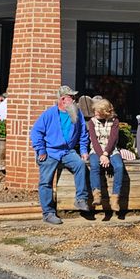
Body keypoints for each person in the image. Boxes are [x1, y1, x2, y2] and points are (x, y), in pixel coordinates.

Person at [30, 85, 90, 225]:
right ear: (63, 99)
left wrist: (83, 151)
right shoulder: (49, 114)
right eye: (72, 97)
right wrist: (41, 150)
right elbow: (36, 132)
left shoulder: (77, 113)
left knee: (80, 165)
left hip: (67, 151)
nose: (74, 100)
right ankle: (48, 213)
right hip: (50, 151)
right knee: (45, 182)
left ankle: (80, 199)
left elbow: (83, 134)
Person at [87, 98, 125, 212]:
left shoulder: (114, 121)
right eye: (95, 111)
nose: (95, 113)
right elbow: (94, 141)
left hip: (111, 150)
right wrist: (102, 155)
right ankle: (96, 194)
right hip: (96, 150)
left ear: (105, 112)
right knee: (94, 165)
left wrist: (106, 153)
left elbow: (113, 139)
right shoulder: (92, 122)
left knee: (119, 166)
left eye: (98, 111)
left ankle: (115, 198)